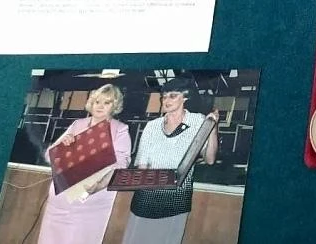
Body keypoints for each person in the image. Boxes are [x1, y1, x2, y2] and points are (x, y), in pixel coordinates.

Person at [122, 78, 219, 244]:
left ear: (185, 97)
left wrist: (213, 128)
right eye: (164, 97)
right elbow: (142, 166)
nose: (166, 100)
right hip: (145, 199)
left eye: (173, 96)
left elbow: (210, 159)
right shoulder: (152, 126)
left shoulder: (198, 121)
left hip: (176, 199)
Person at [38, 84, 131, 244]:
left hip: (92, 200)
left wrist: (100, 182)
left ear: (114, 106)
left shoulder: (120, 129)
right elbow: (49, 155)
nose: (100, 106)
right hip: (62, 199)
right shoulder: (77, 124)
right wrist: (64, 147)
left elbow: (122, 162)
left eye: (107, 102)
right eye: (97, 101)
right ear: (91, 103)